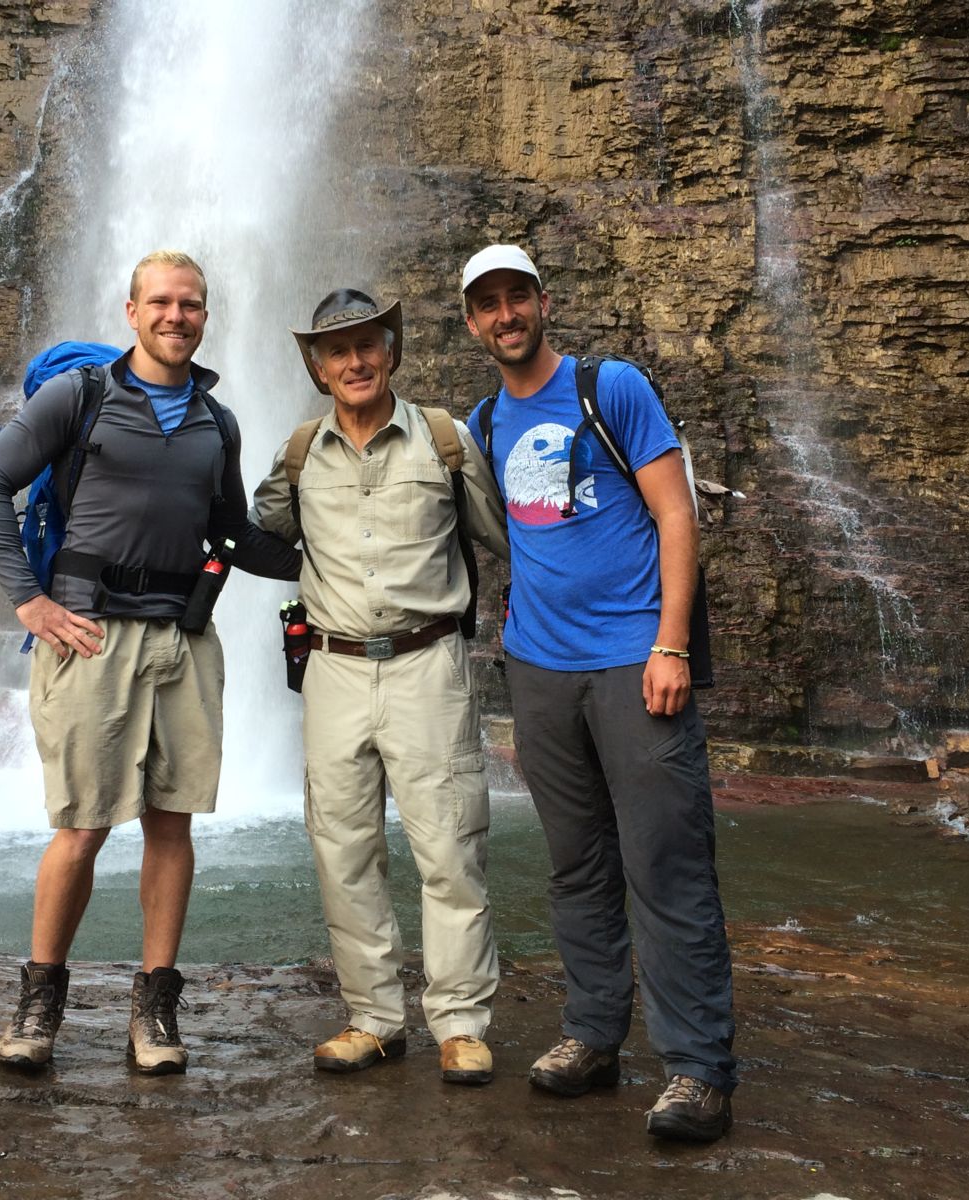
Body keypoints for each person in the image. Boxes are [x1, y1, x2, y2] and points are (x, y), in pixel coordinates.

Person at [0, 250, 299, 1074]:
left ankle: (155, 1007)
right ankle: (40, 1002)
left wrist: (341, 553)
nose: (176, 316)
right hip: (91, 638)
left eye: (191, 305)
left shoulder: (218, 422)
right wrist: (29, 603)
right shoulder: (78, 397)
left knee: (170, 823)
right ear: (131, 310)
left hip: (183, 640)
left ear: (205, 317)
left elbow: (233, 534)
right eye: (162, 302)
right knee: (81, 826)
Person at [460, 244, 737, 1141]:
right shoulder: (483, 422)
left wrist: (670, 644)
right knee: (576, 863)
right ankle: (592, 1034)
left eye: (516, 297)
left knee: (665, 860)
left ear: (543, 302)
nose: (505, 315)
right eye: (486, 305)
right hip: (539, 672)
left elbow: (674, 512)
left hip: (633, 659)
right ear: (472, 323)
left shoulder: (608, 388)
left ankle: (698, 1068)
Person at [253, 288, 509, 1085]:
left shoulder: (445, 440)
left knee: (448, 847)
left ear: (391, 350)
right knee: (343, 850)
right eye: (338, 351)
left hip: (427, 662)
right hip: (331, 668)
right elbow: (261, 534)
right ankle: (373, 1018)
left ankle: (460, 1024)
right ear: (317, 366)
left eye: (369, 345)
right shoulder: (297, 454)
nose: (356, 362)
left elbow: (498, 535)